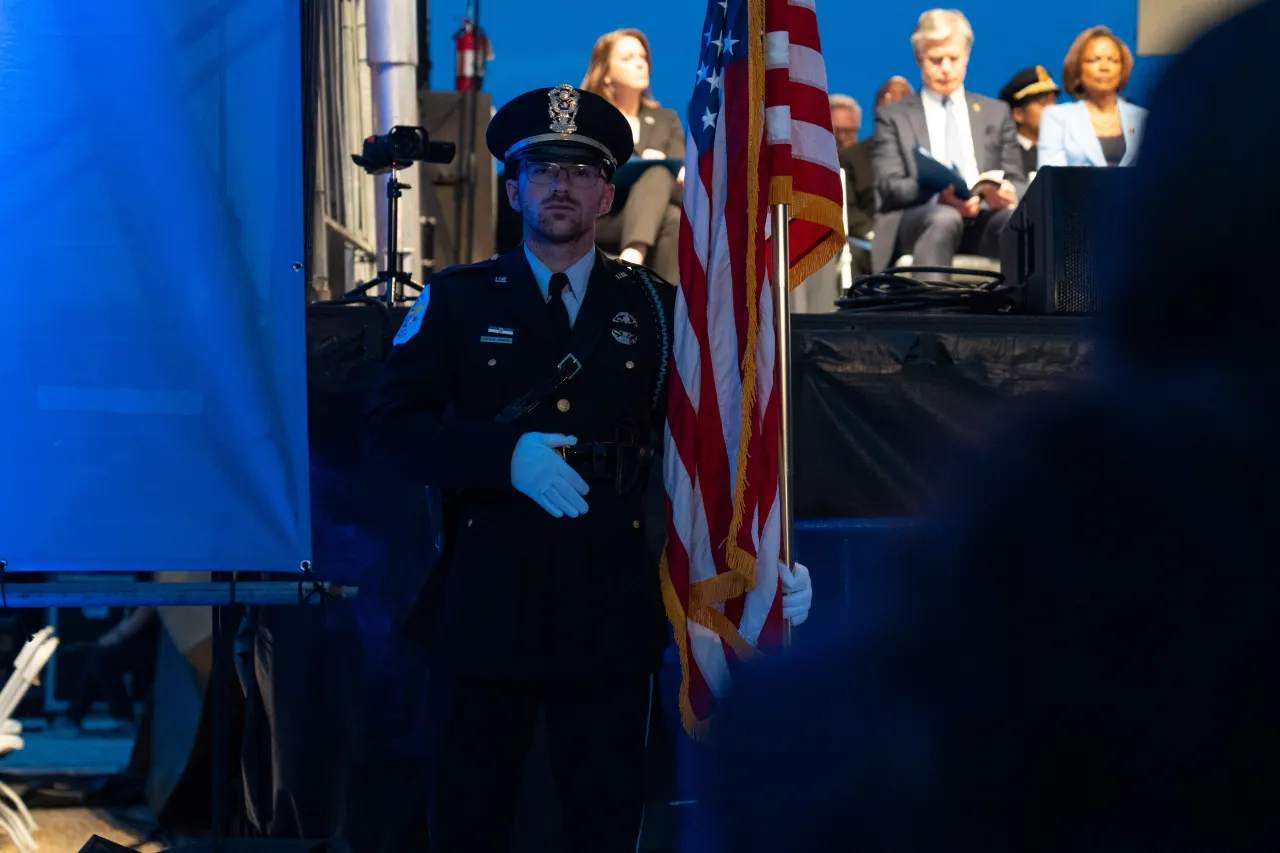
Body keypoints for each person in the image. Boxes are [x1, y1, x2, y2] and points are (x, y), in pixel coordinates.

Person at [362, 83, 810, 853]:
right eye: (542, 170)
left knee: (603, 818)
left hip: (605, 605)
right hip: (486, 599)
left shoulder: (660, 308)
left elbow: (714, 445)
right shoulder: (459, 302)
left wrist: (762, 560)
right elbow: (389, 429)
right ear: (513, 187)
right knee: (468, 816)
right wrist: (500, 455)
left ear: (608, 193)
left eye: (579, 172)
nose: (560, 187)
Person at [870, 9, 1026, 274]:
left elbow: (1019, 181)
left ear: (967, 55)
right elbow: (889, 188)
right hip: (921, 218)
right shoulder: (893, 116)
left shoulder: (995, 113)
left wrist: (1008, 194)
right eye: (936, 59)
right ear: (919, 58)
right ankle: (932, 312)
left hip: (982, 217)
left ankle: (1019, 312)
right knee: (945, 218)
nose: (945, 68)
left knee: (1015, 221)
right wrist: (938, 195)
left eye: (953, 58)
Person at [581, 28, 684, 284]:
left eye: (643, 57)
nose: (640, 63)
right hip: (606, 216)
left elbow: (679, 176)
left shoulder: (665, 119)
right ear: (605, 72)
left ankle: (639, 272)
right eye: (628, 58)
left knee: (673, 214)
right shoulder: (592, 118)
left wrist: (663, 169)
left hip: (655, 211)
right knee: (659, 178)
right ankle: (658, 300)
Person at [1038, 26, 1146, 168]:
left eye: (1113, 60)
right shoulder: (1057, 117)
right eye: (1094, 60)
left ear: (1123, 68)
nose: (1104, 67)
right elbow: (1050, 177)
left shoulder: (1142, 117)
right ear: (1077, 68)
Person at [48, 605, 159, 739]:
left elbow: (147, 608)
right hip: (138, 635)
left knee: (102, 658)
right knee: (96, 656)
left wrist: (118, 635)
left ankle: (121, 718)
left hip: (157, 641)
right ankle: (74, 716)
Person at [998, 65, 1060, 181]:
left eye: (1054, 101)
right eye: (1044, 103)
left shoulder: (1065, 150)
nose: (1052, 110)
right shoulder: (1005, 155)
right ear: (1018, 114)